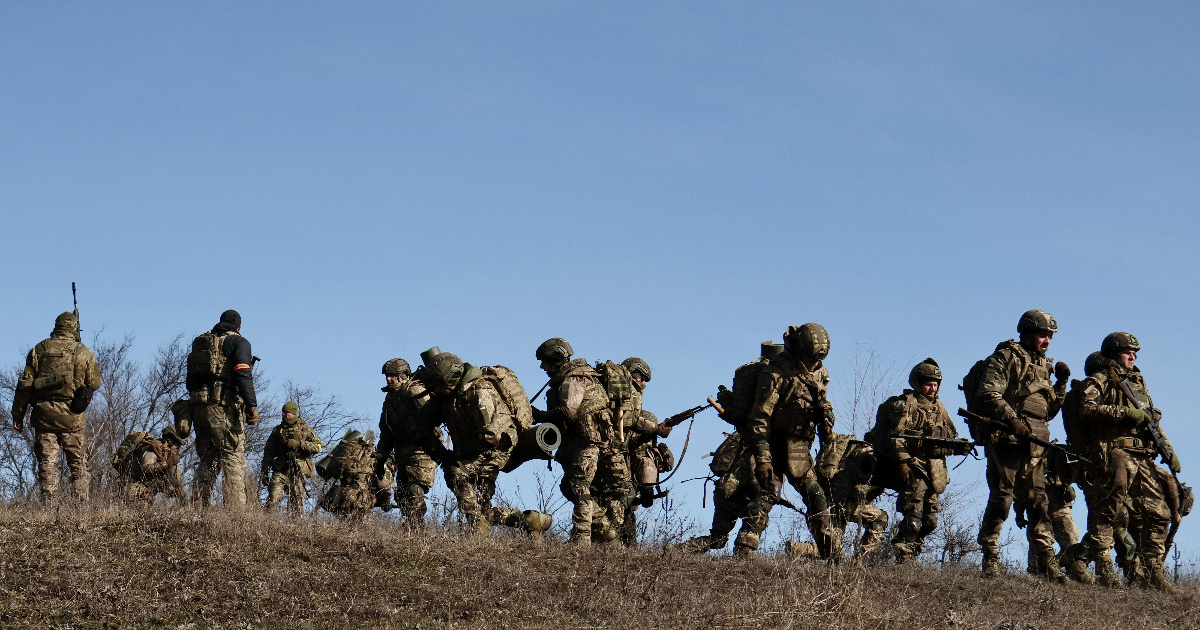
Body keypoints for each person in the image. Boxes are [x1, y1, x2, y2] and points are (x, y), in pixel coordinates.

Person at [969, 309, 1069, 580]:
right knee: (1002, 498)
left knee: (1038, 502)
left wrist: (1061, 384)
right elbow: (988, 393)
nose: (1047, 340)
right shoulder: (1006, 357)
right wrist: (1013, 421)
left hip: (1036, 444)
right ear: (1026, 333)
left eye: (1050, 336)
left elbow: (1047, 412)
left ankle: (1046, 560)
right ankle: (990, 556)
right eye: (1042, 334)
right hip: (1007, 441)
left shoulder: (1044, 365)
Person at [1079, 332, 1180, 591]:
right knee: (1109, 511)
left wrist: (1169, 451)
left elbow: (1152, 421)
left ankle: (1153, 571)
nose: (1132, 356)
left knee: (1159, 512)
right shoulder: (1101, 379)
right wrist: (1125, 413)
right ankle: (1104, 569)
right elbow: (1087, 409)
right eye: (1127, 352)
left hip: (1142, 455)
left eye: (1134, 352)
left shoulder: (1137, 383)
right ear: (1114, 354)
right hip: (1115, 452)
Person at [421, 351, 551, 539]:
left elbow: (491, 435)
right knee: (482, 507)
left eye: (439, 386)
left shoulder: (479, 392)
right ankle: (531, 521)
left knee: (456, 472)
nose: (437, 390)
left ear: (450, 381)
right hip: (476, 450)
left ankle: (477, 535)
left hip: (495, 448)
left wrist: (458, 456)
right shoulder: (450, 396)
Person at [743, 323, 838, 558]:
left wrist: (825, 418)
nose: (814, 364)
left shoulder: (820, 373)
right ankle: (745, 549)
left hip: (799, 447)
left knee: (816, 496)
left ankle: (831, 555)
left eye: (818, 360)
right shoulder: (776, 374)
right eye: (811, 358)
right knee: (769, 493)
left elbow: (822, 406)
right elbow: (760, 418)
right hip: (773, 443)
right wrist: (764, 459)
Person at [867, 359, 959, 563]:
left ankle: (912, 547)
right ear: (917, 383)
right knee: (914, 515)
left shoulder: (939, 408)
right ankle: (904, 555)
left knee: (930, 521)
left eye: (936, 384)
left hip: (934, 470)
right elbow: (895, 437)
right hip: (913, 466)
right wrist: (902, 463)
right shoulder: (904, 405)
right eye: (928, 384)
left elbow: (951, 435)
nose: (933, 388)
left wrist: (955, 446)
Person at [10, 312, 102, 503]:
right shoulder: (84, 352)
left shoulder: (39, 350)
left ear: (57, 326)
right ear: (75, 328)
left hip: (44, 417)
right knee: (78, 465)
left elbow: (25, 385)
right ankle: (81, 507)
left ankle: (49, 506)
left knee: (47, 464)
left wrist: (18, 414)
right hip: (73, 418)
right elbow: (94, 383)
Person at [533, 338, 615, 544]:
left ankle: (581, 540)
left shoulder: (575, 378)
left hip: (588, 442)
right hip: (577, 441)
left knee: (579, 486)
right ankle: (607, 533)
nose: (542, 367)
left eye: (545, 362)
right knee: (569, 486)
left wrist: (541, 416)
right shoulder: (565, 379)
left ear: (556, 359)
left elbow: (568, 411)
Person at [185, 309, 258, 508]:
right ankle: (236, 514)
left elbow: (190, 380)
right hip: (222, 408)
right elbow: (243, 373)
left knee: (208, 458)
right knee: (232, 457)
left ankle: (197, 507)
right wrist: (251, 405)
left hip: (198, 407)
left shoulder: (201, 342)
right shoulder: (238, 342)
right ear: (239, 326)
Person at [614, 357, 674, 545]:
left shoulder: (616, 390)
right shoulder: (628, 392)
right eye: (642, 379)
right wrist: (655, 429)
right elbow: (628, 418)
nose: (644, 384)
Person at [376, 357, 438, 528]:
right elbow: (386, 433)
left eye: (392, 375)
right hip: (402, 455)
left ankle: (416, 533)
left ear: (401, 375)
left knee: (414, 494)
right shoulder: (390, 399)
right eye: (387, 376)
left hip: (421, 453)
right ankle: (413, 533)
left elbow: (432, 420)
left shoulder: (414, 391)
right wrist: (380, 459)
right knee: (402, 497)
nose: (388, 379)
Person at [260, 401, 322, 514]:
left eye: (286, 412)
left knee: (297, 502)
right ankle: (266, 521)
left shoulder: (305, 429)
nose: (283, 414)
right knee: (272, 499)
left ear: (293, 413)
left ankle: (296, 524)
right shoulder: (277, 431)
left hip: (297, 470)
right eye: (283, 412)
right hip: (280, 469)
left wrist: (299, 444)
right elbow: (268, 452)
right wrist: (264, 471)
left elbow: (317, 446)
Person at [317, 429, 380, 521]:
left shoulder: (345, 451)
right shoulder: (371, 457)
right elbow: (382, 484)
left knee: (343, 523)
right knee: (361, 526)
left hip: (341, 494)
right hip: (360, 497)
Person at [115, 426, 185, 504]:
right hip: (133, 492)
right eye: (178, 444)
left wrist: (174, 491)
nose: (179, 447)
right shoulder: (153, 449)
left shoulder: (167, 455)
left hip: (145, 495)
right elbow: (146, 468)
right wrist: (167, 464)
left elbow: (163, 480)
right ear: (169, 441)